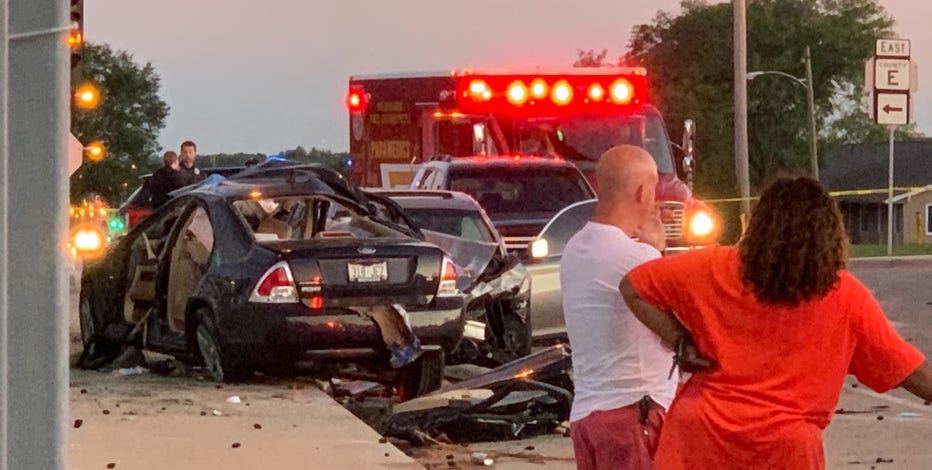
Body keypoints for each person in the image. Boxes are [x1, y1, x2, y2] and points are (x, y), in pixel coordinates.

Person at [620, 175, 932, 470]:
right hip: (785, 448)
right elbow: (907, 370)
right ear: (830, 236)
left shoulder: (711, 267)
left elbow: (633, 288)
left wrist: (680, 340)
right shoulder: (845, 296)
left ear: (758, 225)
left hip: (699, 436)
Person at [560, 145, 675, 470]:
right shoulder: (639, 258)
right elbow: (674, 331)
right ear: (641, 192)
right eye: (653, 191)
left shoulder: (575, 248)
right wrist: (656, 251)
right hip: (633, 416)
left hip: (587, 416)